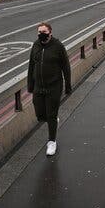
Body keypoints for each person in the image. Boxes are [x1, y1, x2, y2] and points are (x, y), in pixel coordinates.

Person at [27, 22, 71, 156]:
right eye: (39, 32)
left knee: (51, 115)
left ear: (50, 32)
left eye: (44, 32)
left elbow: (66, 67)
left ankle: (52, 142)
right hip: (38, 87)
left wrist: (68, 85)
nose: (41, 34)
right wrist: (30, 85)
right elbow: (31, 66)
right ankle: (52, 120)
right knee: (40, 115)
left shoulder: (58, 46)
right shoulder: (35, 45)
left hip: (54, 86)